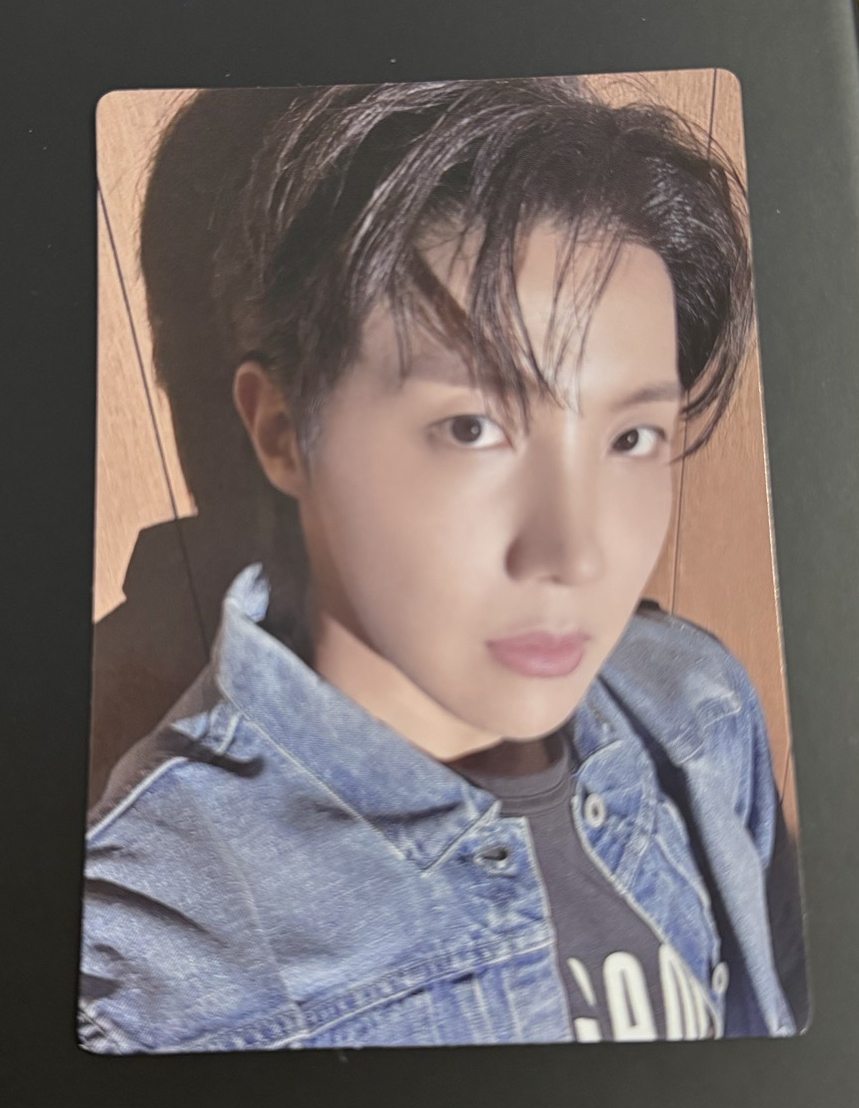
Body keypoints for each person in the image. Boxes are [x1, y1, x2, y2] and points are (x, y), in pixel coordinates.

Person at [79, 77, 806, 1052]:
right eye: (472, 427)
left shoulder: (697, 703)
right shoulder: (152, 973)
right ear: (284, 430)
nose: (575, 553)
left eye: (631, 437)